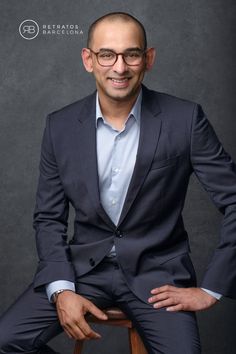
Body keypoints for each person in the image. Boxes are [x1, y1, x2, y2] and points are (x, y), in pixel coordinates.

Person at [0, 11, 236, 354]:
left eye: (132, 54)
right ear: (88, 59)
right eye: (107, 54)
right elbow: (48, 218)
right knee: (5, 341)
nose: (120, 67)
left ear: (148, 58)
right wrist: (62, 289)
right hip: (83, 271)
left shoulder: (185, 119)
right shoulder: (60, 126)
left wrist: (211, 289)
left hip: (158, 277)